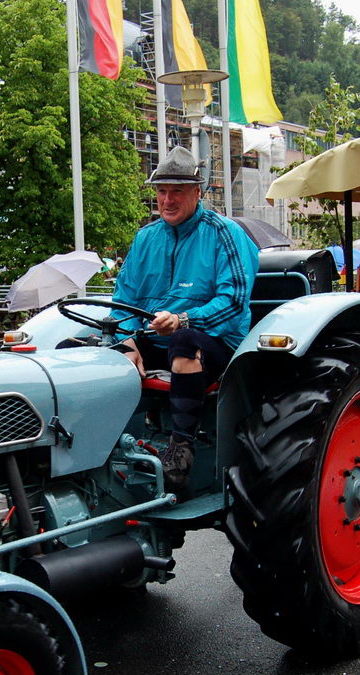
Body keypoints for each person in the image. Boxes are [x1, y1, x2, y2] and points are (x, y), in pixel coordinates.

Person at [111, 146, 259, 493]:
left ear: (197, 192)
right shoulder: (146, 238)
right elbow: (123, 300)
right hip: (154, 339)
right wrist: (126, 340)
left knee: (183, 343)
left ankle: (180, 449)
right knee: (85, 349)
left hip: (217, 341)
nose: (167, 200)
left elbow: (233, 301)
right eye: (162, 191)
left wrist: (183, 320)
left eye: (177, 191)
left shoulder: (224, 233)